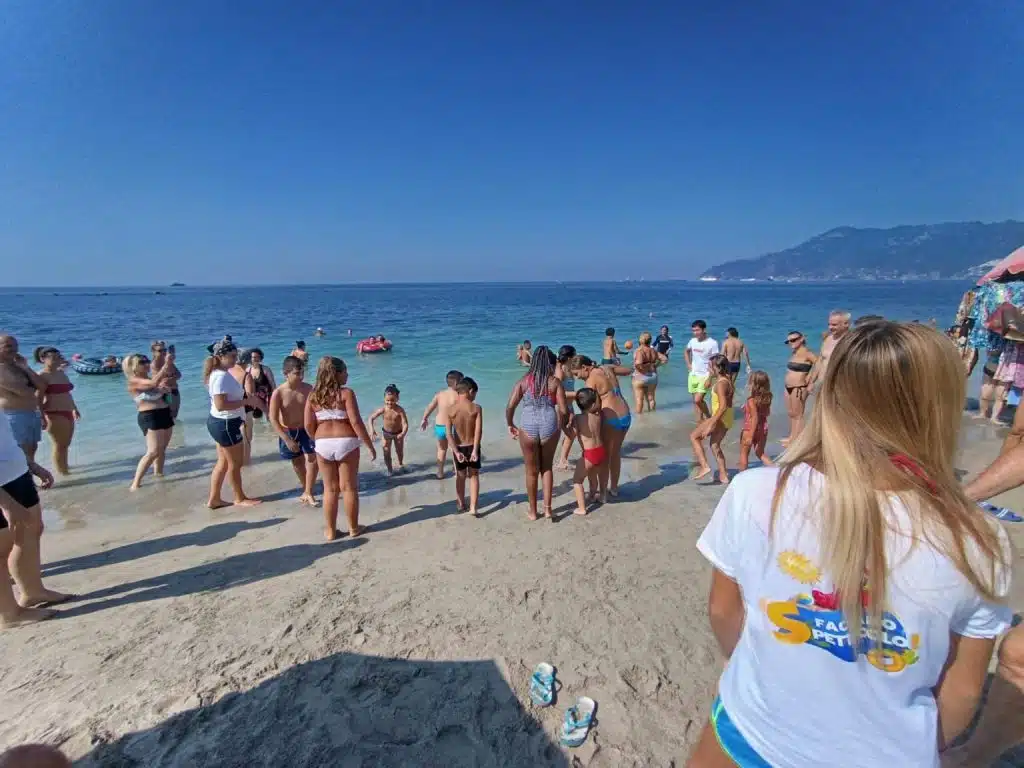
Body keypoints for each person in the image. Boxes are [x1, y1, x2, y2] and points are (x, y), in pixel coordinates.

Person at [689, 321, 1012, 767]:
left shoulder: (758, 492)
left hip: (751, 733)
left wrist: (748, 664)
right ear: (942, 406)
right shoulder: (978, 539)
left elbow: (724, 613)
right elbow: (962, 690)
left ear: (830, 395)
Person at [0, 409, 73, 629]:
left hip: (15, 472)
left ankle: (33, 591)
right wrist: (7, 504)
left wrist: (30, 465)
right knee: (2, 548)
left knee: (32, 529)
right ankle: (9, 614)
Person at [304, 357, 375, 540]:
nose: (347, 375)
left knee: (330, 489)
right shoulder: (346, 393)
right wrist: (369, 445)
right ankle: (353, 529)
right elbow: (356, 422)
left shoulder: (313, 396)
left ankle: (330, 531)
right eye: (345, 371)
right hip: (346, 441)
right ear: (336, 374)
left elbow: (308, 425)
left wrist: (317, 439)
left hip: (322, 443)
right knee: (349, 487)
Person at [507, 346, 567, 521]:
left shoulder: (523, 381)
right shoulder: (555, 382)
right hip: (549, 424)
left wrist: (510, 423)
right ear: (550, 363)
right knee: (547, 468)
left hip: (528, 425)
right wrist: (561, 425)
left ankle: (533, 512)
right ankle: (548, 510)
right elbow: (563, 409)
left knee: (531, 471)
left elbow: (510, 406)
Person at [203, 339, 263, 509]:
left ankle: (214, 499)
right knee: (235, 464)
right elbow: (221, 405)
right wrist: (246, 402)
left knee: (223, 462)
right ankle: (239, 498)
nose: (235, 359)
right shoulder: (220, 376)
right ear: (220, 356)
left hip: (221, 422)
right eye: (232, 356)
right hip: (226, 424)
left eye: (236, 356)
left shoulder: (221, 373)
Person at [570, 355, 632, 498]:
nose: (577, 377)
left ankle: (602, 493)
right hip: (625, 415)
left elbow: (588, 402)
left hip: (611, 419)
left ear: (584, 367)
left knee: (604, 458)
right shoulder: (605, 368)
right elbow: (627, 370)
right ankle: (614, 488)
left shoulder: (591, 380)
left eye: (577, 373)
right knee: (616, 453)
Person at [268, 355, 318, 507]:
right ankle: (306, 488)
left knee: (312, 458)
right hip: (289, 431)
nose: (301, 376)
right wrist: (286, 439)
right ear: (286, 373)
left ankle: (309, 491)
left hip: (307, 429)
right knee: (297, 462)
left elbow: (317, 410)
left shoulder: (308, 388)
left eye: (302, 373)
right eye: (297, 373)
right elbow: (273, 419)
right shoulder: (279, 393)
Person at [123, 353, 174, 490]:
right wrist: (166, 364)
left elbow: (162, 394)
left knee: (162, 449)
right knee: (153, 451)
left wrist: (166, 391)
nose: (146, 364)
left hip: (164, 413)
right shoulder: (134, 381)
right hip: (149, 416)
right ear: (134, 366)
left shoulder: (151, 379)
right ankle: (135, 483)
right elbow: (152, 384)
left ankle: (159, 475)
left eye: (147, 361)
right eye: (142, 362)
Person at [33, 346, 79, 476]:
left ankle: (64, 468)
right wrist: (41, 417)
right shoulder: (41, 376)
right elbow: (37, 398)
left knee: (66, 444)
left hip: (68, 411)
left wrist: (74, 408)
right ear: (43, 359)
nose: (58, 360)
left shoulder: (60, 373)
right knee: (59, 445)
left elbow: (67, 393)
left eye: (59, 357)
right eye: (53, 358)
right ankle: (64, 474)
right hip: (53, 413)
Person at [0, 335, 45, 464]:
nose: (14, 349)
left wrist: (26, 367)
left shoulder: (18, 365)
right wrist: (34, 388)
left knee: (32, 450)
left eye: (15, 346)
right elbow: (24, 392)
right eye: (8, 346)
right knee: (20, 453)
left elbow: (42, 385)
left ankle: (30, 475)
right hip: (13, 415)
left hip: (31, 412)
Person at [690, 355, 734, 484]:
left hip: (720, 417)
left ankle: (704, 466)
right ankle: (723, 476)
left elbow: (723, 406)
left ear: (718, 368)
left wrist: (711, 423)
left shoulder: (720, 384)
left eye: (710, 367)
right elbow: (706, 385)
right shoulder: (727, 380)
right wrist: (710, 375)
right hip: (727, 418)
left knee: (694, 437)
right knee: (714, 445)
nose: (708, 369)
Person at [447, 378, 483, 516]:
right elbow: (478, 431)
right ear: (471, 391)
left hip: (459, 447)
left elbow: (449, 434)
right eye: (475, 394)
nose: (474, 397)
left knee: (460, 476)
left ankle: (460, 504)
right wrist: (474, 451)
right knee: (474, 476)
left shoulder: (450, 410)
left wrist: (456, 452)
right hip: (472, 446)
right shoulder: (476, 408)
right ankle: (473, 508)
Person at [420, 370, 464, 479]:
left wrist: (424, 418)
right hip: (452, 428)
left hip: (440, 426)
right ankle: (457, 472)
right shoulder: (459, 395)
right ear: (456, 383)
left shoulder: (440, 394)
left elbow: (430, 407)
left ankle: (440, 473)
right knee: (455, 450)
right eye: (462, 382)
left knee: (441, 449)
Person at [571, 387, 606, 514]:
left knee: (577, 481)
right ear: (593, 404)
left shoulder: (578, 418)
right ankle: (593, 496)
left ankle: (582, 508)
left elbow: (572, 434)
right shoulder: (598, 416)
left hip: (589, 454)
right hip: (601, 451)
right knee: (592, 476)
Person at [781, 331, 817, 445]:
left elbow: (820, 365)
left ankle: (797, 441)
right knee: (791, 413)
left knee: (798, 415)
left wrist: (811, 380)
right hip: (788, 387)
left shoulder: (808, 354)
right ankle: (792, 436)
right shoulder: (794, 353)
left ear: (801, 339)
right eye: (788, 341)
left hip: (799, 387)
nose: (790, 343)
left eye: (793, 340)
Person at [369, 384, 409, 476]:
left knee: (399, 451)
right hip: (386, 434)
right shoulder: (383, 409)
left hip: (398, 434)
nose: (390, 403)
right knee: (386, 452)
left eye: (392, 400)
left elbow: (405, 423)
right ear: (384, 399)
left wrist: (403, 433)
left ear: (397, 399)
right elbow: (371, 418)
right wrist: (372, 430)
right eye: (387, 400)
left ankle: (400, 464)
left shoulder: (400, 410)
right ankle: (390, 470)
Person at [738, 370, 773, 472]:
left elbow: (755, 417)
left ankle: (741, 476)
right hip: (763, 428)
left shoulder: (751, 400)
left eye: (750, 382)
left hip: (750, 429)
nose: (748, 385)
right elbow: (766, 413)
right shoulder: (768, 397)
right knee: (760, 453)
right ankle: (775, 470)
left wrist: (751, 435)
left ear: (754, 385)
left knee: (744, 454)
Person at [685, 320, 719, 422]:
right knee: (695, 402)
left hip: (705, 375)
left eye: (697, 330)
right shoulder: (692, 341)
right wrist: (688, 364)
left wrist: (710, 377)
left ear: (704, 330)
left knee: (698, 400)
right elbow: (686, 351)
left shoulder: (712, 343)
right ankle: (699, 422)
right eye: (693, 330)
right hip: (693, 374)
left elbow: (715, 362)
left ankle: (708, 417)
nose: (695, 333)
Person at [810, 309, 851, 390]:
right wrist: (812, 381)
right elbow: (820, 361)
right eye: (829, 324)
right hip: (821, 383)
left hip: (838, 386)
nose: (830, 327)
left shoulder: (850, 341)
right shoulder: (827, 339)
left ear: (846, 324)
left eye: (834, 325)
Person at [554, 344, 577, 471]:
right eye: (575, 355)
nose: (576, 357)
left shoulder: (569, 368)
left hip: (570, 406)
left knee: (571, 433)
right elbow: (558, 393)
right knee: (571, 433)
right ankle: (562, 461)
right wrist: (578, 394)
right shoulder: (560, 370)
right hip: (561, 407)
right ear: (569, 358)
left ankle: (562, 459)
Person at [231, 350, 257, 466]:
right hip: (245, 410)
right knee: (247, 437)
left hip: (231, 409)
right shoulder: (246, 375)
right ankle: (246, 463)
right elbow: (250, 395)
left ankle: (237, 461)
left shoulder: (228, 371)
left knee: (236, 438)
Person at [150, 341, 182, 421]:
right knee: (168, 416)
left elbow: (179, 375)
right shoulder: (154, 364)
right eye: (160, 350)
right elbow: (162, 381)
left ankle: (175, 429)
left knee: (174, 416)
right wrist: (172, 377)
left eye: (164, 350)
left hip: (174, 391)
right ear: (153, 352)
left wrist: (170, 378)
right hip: (166, 394)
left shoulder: (167, 361)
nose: (163, 352)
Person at [631, 331, 660, 413]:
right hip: (653, 376)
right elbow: (664, 359)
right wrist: (655, 365)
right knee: (651, 398)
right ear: (650, 340)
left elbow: (638, 364)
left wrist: (641, 370)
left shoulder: (639, 351)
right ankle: (653, 415)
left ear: (641, 340)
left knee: (639, 399)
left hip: (641, 376)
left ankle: (639, 418)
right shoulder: (653, 350)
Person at [246, 348, 275, 422]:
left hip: (267, 397)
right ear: (250, 358)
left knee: (270, 417)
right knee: (256, 419)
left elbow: (272, 383)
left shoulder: (266, 369)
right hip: (255, 398)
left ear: (260, 358)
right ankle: (261, 429)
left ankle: (270, 429)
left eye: (257, 357)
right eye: (253, 357)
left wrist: (275, 396)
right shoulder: (247, 370)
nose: (255, 359)